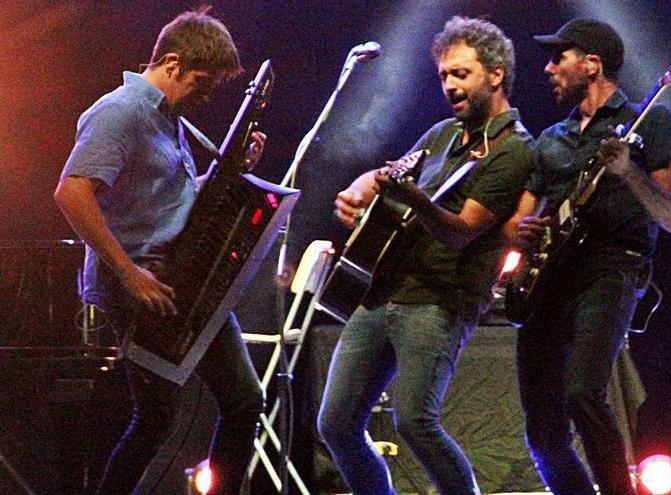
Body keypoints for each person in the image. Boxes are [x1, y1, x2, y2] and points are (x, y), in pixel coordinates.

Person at [316, 16, 534, 495]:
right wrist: (359, 190)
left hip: (439, 301)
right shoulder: (441, 135)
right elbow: (389, 173)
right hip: (383, 292)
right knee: (335, 424)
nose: (450, 85)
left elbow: (461, 232)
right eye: (443, 76)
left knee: (415, 420)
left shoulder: (514, 151)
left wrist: (411, 196)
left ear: (496, 74)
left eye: (461, 74)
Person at [54, 7, 267, 494]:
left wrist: (233, 169)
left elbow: (168, 197)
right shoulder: (121, 111)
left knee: (191, 412)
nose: (206, 96)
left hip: (174, 276)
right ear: (171, 63)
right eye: (201, 82)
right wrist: (128, 273)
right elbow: (71, 193)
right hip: (140, 280)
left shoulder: (167, 118)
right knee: (201, 409)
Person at [508, 19, 671, 495]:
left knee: (584, 393)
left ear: (591, 64)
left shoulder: (651, 123)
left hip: (612, 267)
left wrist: (628, 172)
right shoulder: (550, 140)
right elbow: (522, 220)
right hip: (551, 281)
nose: (548, 69)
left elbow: (670, 215)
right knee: (543, 433)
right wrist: (523, 235)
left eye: (558, 57)